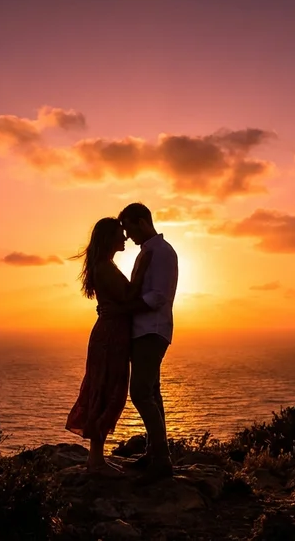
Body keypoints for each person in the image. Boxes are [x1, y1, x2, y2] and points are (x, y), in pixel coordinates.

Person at [65, 217, 152, 476]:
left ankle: (96, 458)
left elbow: (120, 301)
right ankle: (95, 461)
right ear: (108, 238)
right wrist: (142, 268)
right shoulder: (104, 267)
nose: (124, 238)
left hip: (113, 332)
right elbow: (128, 296)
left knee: (109, 389)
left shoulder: (106, 265)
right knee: (105, 390)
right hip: (110, 335)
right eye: (119, 233)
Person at [101, 202, 179, 485]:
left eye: (129, 227)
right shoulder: (149, 252)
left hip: (152, 331)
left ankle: (162, 460)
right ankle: (155, 453)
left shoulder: (161, 252)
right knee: (152, 393)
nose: (127, 235)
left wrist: (121, 309)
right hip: (145, 331)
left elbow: (158, 296)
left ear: (142, 222)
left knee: (141, 393)